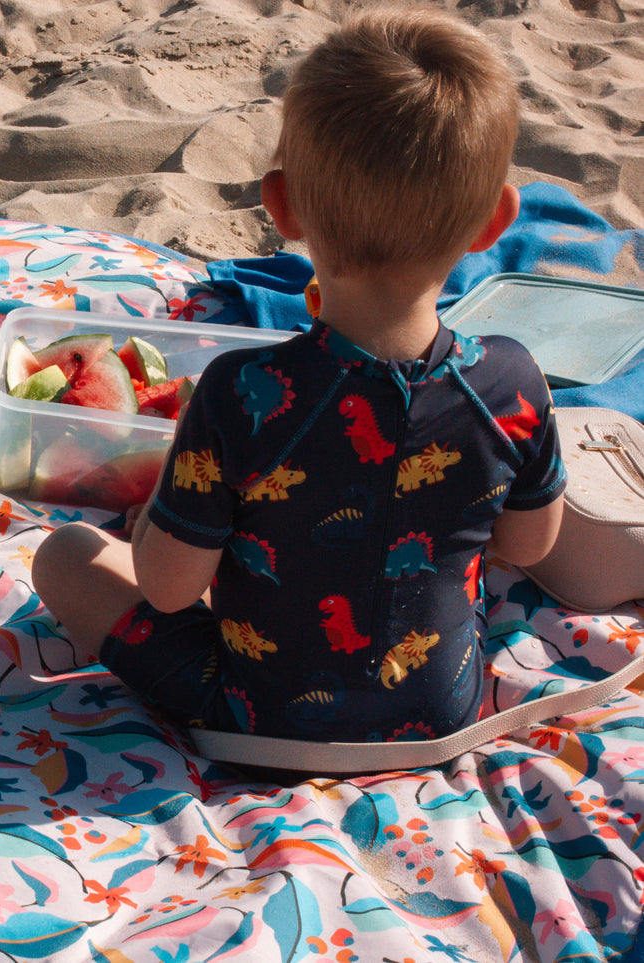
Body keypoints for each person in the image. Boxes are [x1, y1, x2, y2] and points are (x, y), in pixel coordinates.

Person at [32, 8, 566, 746]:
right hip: (442, 710)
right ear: (493, 223)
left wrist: (159, 517)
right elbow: (531, 543)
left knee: (64, 556)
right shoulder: (512, 379)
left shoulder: (240, 391)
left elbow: (167, 587)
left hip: (255, 719)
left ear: (278, 206)